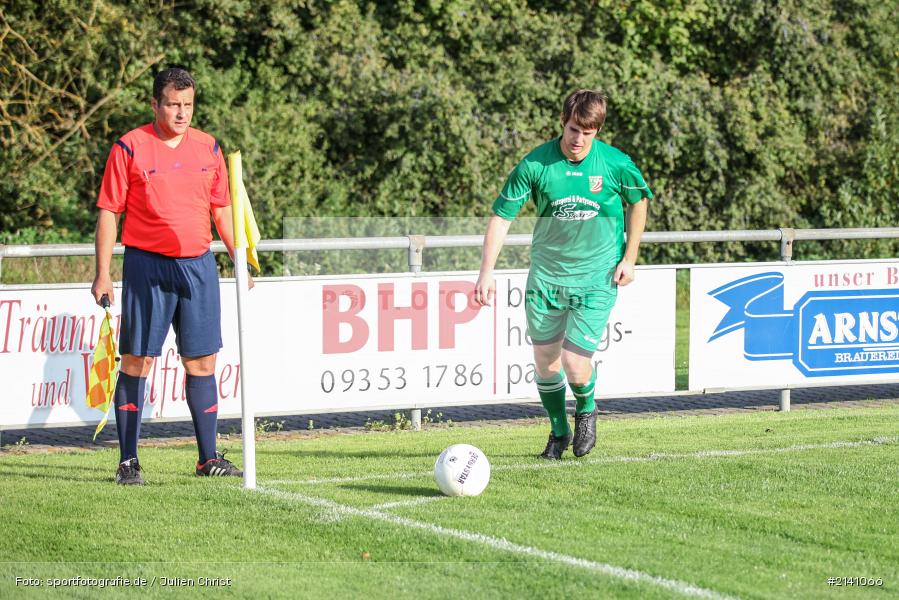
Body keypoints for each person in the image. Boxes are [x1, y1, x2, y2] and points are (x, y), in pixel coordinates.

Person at [91, 67, 251, 484]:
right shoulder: (129, 147)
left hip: (198, 267)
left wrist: (240, 258)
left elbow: (222, 209)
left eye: (188, 105)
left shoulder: (209, 148)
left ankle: (208, 458)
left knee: (202, 362)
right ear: (155, 105)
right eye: (173, 105)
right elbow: (109, 211)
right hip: (148, 266)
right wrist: (103, 273)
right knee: (137, 360)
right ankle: (128, 461)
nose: (182, 113)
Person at [474, 89, 651, 460]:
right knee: (545, 363)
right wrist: (486, 273)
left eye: (588, 133)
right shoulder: (536, 164)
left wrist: (630, 257)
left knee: (574, 362)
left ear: (598, 131)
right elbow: (502, 217)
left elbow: (639, 202)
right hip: (547, 279)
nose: (578, 140)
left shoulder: (616, 164)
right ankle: (558, 433)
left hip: (596, 277)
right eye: (573, 129)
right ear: (563, 122)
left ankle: (587, 409)